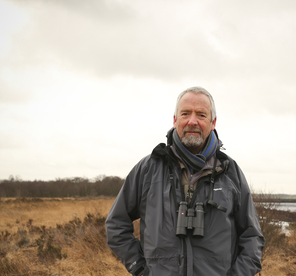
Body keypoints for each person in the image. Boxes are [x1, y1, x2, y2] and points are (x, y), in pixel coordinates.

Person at [106, 86, 264, 276]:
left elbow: (252, 237)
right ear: (175, 120)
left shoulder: (229, 172)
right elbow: (116, 224)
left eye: (201, 115)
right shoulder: (149, 169)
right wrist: (140, 269)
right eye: (185, 113)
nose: (192, 121)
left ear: (213, 122)